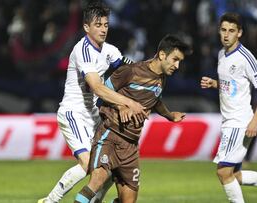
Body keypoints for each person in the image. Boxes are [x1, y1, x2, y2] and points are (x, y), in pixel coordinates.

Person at [38, 2, 147, 203]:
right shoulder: (83, 50)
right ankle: (50, 201)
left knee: (109, 166)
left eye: (105, 25)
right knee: (88, 163)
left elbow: (128, 69)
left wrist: (150, 72)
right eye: (98, 25)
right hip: (74, 112)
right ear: (87, 27)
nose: (103, 29)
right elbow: (96, 87)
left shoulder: (110, 50)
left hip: (94, 115)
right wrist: (126, 103)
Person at [73, 34, 192, 203]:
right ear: (162, 55)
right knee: (97, 179)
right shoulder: (132, 71)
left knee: (128, 200)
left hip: (131, 146)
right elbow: (103, 93)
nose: (177, 65)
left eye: (180, 61)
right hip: (110, 136)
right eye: (175, 59)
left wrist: (169, 115)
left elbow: (155, 98)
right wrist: (121, 106)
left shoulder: (161, 78)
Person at [200, 12, 257, 203]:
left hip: (240, 121)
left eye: (231, 31)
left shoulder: (246, 57)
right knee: (234, 175)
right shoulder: (221, 54)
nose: (226, 35)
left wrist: (255, 120)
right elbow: (233, 84)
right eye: (223, 30)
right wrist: (215, 84)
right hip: (229, 122)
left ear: (240, 33)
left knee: (223, 172)